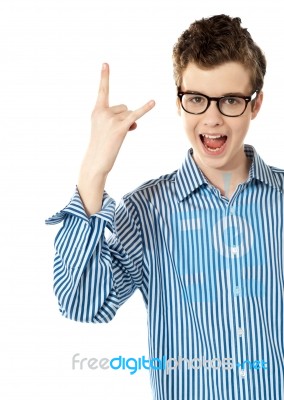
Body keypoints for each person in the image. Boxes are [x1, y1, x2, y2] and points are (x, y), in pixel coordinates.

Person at [46, 14, 284, 400]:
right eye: (196, 99)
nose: (211, 118)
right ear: (179, 102)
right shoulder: (146, 212)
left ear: (255, 105)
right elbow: (79, 302)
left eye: (230, 101)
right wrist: (93, 170)